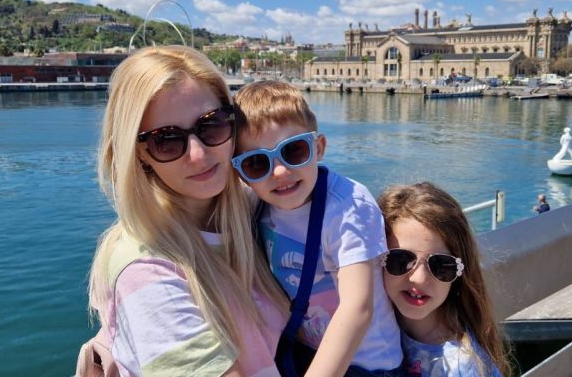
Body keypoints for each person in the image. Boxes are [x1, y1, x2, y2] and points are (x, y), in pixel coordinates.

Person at [77, 46, 288, 376]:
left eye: (212, 125)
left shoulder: (253, 209)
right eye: (167, 140)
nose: (198, 154)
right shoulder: (146, 271)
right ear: (139, 153)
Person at [232, 81, 403, 376]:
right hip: (306, 349)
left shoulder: (347, 207)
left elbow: (357, 309)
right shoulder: (257, 203)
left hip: (368, 364)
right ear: (243, 174)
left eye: (294, 150)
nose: (280, 171)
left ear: (319, 147)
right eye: (257, 163)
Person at [378, 182, 509, 376]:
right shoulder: (369, 326)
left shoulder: (464, 368)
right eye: (401, 260)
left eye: (441, 265)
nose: (419, 278)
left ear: (459, 273)